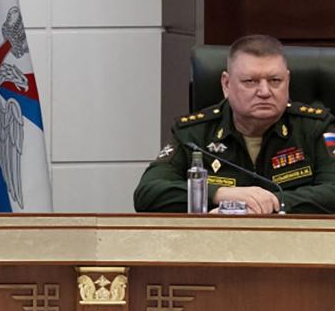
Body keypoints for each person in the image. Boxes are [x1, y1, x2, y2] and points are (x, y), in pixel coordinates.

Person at [134, 35, 335, 214]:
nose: (265, 91)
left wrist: (274, 201)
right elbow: (148, 193)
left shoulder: (314, 128)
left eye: (275, 80)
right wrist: (219, 195)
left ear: (288, 81)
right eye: (250, 81)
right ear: (226, 84)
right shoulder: (194, 133)